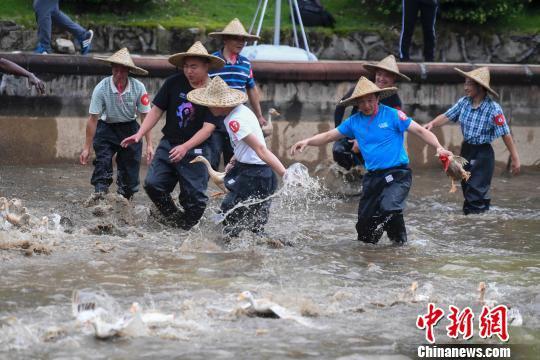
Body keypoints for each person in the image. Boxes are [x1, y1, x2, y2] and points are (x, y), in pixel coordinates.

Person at [291, 77, 452, 244]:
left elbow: (420, 131)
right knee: (364, 229)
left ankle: (400, 245)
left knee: (389, 208)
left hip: (397, 174)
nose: (366, 106)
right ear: (356, 104)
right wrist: (307, 141)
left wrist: (438, 147)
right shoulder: (354, 122)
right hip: (373, 177)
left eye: (370, 100)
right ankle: (371, 256)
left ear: (377, 98)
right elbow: (330, 135)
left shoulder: (393, 115)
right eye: (361, 102)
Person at [121, 42, 225, 230]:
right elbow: (156, 110)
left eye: (193, 66)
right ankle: (173, 219)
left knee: (195, 199)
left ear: (206, 66)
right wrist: (139, 133)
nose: (188, 71)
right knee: (153, 184)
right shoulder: (173, 83)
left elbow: (208, 128)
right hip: (170, 142)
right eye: (186, 66)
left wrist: (186, 147)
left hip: (199, 148)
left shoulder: (214, 89)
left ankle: (189, 230)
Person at [187, 76, 286, 238]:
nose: (207, 107)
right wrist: (234, 160)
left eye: (209, 103)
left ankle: (228, 252)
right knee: (255, 217)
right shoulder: (241, 111)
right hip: (257, 172)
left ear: (218, 104)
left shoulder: (235, 120)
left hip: (254, 174)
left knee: (228, 211)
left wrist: (285, 173)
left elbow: (261, 149)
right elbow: (247, 143)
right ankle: (255, 248)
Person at [424, 67, 521, 215]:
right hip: (467, 149)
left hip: (483, 153)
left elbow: (505, 134)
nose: (465, 87)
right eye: (465, 83)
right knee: (466, 185)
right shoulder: (464, 102)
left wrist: (515, 158)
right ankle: (477, 221)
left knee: (476, 189)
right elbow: (447, 116)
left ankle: (475, 223)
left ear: (480, 87)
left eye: (469, 84)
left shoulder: (493, 109)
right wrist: (432, 124)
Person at [79, 48, 151, 200]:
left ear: (129, 71)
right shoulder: (101, 88)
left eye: (123, 71)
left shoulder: (138, 87)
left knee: (129, 176)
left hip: (130, 129)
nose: (119, 75)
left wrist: (149, 144)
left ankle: (125, 202)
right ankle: (99, 199)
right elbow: (93, 119)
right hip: (106, 129)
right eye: (116, 70)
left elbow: (145, 116)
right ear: (111, 69)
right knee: (102, 165)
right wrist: (87, 148)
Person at [207, 18, 266, 170]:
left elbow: (251, 88)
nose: (241, 43)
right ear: (225, 39)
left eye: (244, 40)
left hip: (238, 116)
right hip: (214, 117)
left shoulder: (246, 63)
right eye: (236, 39)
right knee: (211, 157)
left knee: (236, 159)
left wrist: (259, 115)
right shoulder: (212, 61)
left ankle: (232, 191)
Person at [333, 55, 410, 170]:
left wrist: (362, 140)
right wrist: (339, 134)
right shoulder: (361, 89)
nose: (381, 78)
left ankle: (363, 174)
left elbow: (396, 129)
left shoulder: (395, 101)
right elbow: (340, 107)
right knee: (338, 150)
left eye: (387, 76)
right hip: (354, 131)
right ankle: (350, 173)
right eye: (379, 74)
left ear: (394, 79)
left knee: (367, 158)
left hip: (375, 138)